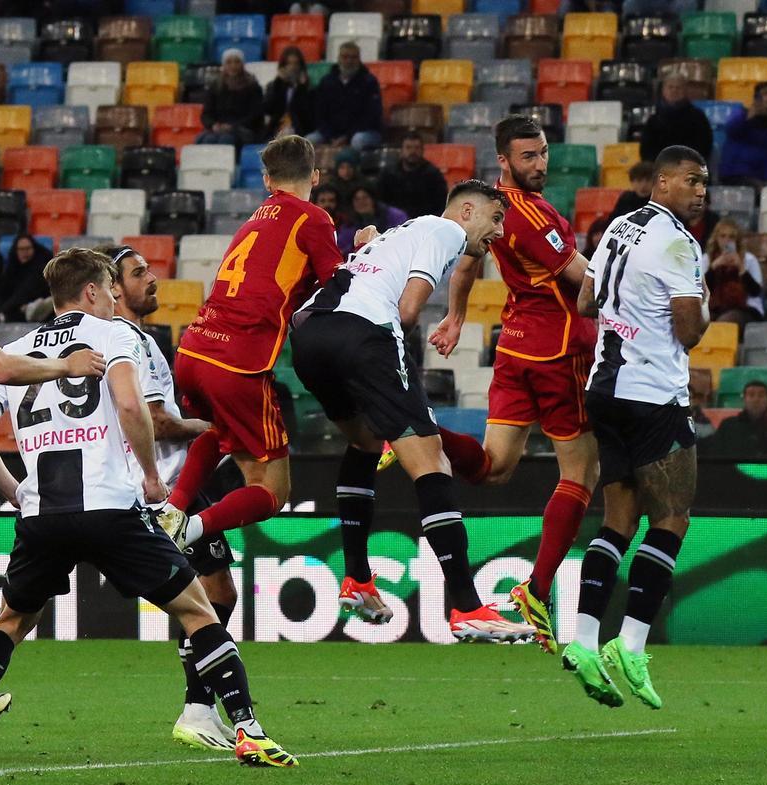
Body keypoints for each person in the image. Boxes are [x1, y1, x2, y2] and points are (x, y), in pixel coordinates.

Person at [0, 248, 295, 766]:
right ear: (91, 292)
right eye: (111, 288)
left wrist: (14, 490)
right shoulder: (115, 334)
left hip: (41, 516)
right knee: (199, 610)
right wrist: (152, 475)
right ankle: (247, 729)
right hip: (112, 507)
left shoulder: (15, 350)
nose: (115, 298)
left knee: (12, 620)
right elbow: (133, 405)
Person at [289, 181, 533, 642]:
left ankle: (357, 578)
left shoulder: (399, 233)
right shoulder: (445, 232)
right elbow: (406, 310)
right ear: (465, 210)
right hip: (363, 334)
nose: (499, 233)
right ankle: (466, 606)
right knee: (431, 459)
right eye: (495, 219)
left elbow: (367, 258)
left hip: (308, 335)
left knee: (363, 441)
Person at [406, 115, 599, 654]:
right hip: (559, 348)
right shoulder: (534, 214)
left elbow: (466, 264)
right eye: (528, 157)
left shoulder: (492, 209)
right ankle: (536, 590)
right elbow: (585, 278)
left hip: (514, 346)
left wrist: (457, 316)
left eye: (542, 153)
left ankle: (415, 433)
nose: (539, 164)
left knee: (493, 467)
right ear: (505, 161)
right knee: (581, 473)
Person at [565, 144, 710, 709]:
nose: (702, 191)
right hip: (652, 395)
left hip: (603, 390)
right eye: (693, 181)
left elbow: (584, 300)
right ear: (664, 181)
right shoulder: (679, 243)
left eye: (705, 183)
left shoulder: (618, 226)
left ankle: (580, 640)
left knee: (619, 519)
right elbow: (690, 333)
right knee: (673, 518)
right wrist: (703, 301)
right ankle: (630, 642)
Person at [155, 136, 342, 562]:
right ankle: (187, 530)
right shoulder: (313, 218)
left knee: (219, 432)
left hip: (194, 350)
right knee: (272, 491)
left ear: (266, 180)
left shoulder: (254, 220)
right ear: (314, 176)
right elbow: (339, 285)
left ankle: (172, 508)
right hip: (237, 363)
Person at [99, 244, 243, 751]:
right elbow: (156, 421)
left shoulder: (131, 338)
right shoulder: (131, 341)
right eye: (139, 274)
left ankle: (200, 708)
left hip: (172, 485)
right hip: (167, 489)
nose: (152, 279)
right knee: (208, 599)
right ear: (114, 289)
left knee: (212, 595)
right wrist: (217, 429)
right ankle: (198, 710)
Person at [309, 41, 383, 150]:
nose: (349, 61)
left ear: (359, 59)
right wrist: (331, 136)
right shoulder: (327, 82)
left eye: (353, 57)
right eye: (345, 57)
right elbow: (319, 114)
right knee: (307, 142)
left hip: (364, 132)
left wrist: (347, 137)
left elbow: (371, 116)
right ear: (339, 58)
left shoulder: (369, 82)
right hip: (330, 134)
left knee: (358, 140)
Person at [719, 82, 767, 187]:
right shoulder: (741, 114)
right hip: (736, 175)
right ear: (756, 98)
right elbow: (731, 130)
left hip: (762, 177)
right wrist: (748, 118)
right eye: (765, 93)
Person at [704, 380, 767, 458]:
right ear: (744, 399)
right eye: (751, 395)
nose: (756, 399)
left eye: (761, 395)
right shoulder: (728, 426)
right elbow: (715, 455)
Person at [700, 218, 765, 327]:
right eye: (723, 236)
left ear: (737, 240)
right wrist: (714, 267)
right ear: (716, 238)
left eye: (731, 237)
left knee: (725, 322)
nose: (726, 241)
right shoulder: (706, 259)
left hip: (745, 309)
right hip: (715, 307)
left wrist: (741, 269)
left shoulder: (749, 260)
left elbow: (756, 292)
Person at [197, 48, 264, 148]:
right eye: (229, 62)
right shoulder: (215, 86)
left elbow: (255, 115)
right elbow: (206, 114)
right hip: (219, 129)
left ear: (242, 64)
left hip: (243, 129)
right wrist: (214, 125)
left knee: (225, 140)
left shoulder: (252, 86)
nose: (233, 66)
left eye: (237, 62)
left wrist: (232, 126)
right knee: (203, 140)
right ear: (224, 65)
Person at [640, 75, 714, 164]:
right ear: (663, 90)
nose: (674, 90)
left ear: (685, 91)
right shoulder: (654, 120)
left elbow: (704, 147)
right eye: (670, 87)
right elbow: (646, 150)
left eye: (678, 88)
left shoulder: (698, 117)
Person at [377, 132, 449, 219]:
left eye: (417, 148)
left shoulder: (433, 175)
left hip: (424, 223)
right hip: (395, 224)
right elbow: (381, 203)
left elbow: (441, 205)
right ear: (401, 150)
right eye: (408, 147)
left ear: (422, 150)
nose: (412, 151)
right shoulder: (389, 174)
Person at [335, 186, 408, 255]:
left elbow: (402, 238)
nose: (361, 202)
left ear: (373, 199)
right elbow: (341, 248)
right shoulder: (349, 223)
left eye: (365, 197)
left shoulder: (394, 215)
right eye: (356, 199)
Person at [263, 45, 316, 138]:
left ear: (301, 66)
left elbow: (307, 116)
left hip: (301, 130)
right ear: (283, 66)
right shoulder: (274, 85)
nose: (293, 67)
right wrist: (279, 83)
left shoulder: (309, 88)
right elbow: (269, 109)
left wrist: (301, 88)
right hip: (277, 129)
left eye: (296, 63)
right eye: (289, 63)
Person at [0, 235, 50, 322]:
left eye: (28, 248)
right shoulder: (12, 269)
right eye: (21, 249)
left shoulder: (41, 269)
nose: (24, 252)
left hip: (33, 308)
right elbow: (2, 291)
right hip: (11, 309)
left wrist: (4, 310)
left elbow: (26, 291)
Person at [324, 148, 371, 220]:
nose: (346, 171)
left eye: (350, 167)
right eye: (342, 167)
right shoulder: (331, 185)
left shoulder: (364, 185)